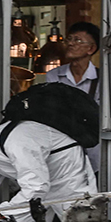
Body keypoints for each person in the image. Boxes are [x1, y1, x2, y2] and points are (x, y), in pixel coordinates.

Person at [45, 22, 103, 171]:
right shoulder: (54, 75)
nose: (70, 43)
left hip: (93, 153)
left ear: (91, 49)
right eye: (69, 39)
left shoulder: (103, 79)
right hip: (62, 150)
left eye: (78, 40)